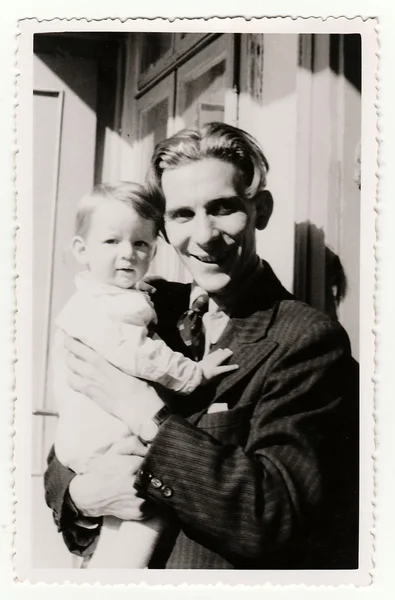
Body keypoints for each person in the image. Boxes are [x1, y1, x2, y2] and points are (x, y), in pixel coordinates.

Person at [44, 122, 359, 569]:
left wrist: (145, 413)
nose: (205, 234)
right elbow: (68, 443)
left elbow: (276, 517)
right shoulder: (144, 306)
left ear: (261, 210)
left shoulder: (307, 342)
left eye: (223, 208)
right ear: (164, 230)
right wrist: (82, 496)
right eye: (182, 215)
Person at [51, 181, 238, 568]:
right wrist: (194, 373)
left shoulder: (103, 296)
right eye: (111, 242)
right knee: (142, 521)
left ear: (154, 248)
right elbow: (142, 354)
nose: (127, 254)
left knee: (113, 540)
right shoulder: (112, 307)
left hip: (90, 441)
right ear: (80, 250)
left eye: (140, 245)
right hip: (108, 440)